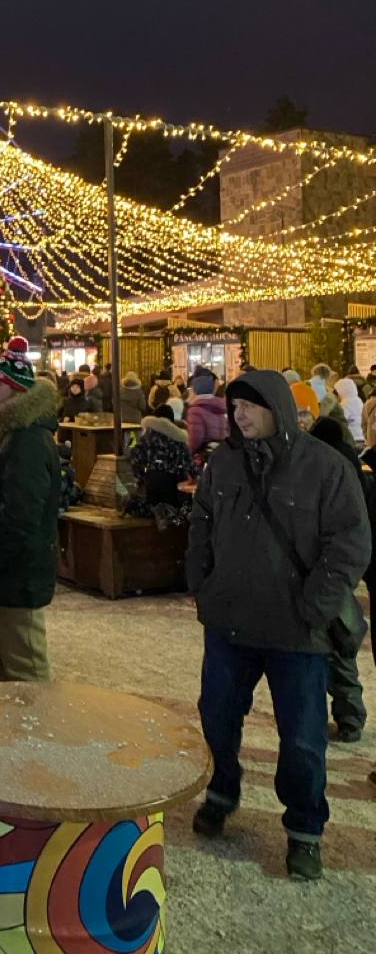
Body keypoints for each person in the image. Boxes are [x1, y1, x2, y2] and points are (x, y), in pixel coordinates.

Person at [186, 370, 370, 881]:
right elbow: (202, 520)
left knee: (304, 739)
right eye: (235, 407)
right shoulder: (223, 464)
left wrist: (316, 604)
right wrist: (201, 578)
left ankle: (305, 830)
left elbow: (351, 542)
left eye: (250, 406)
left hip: (297, 632)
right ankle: (222, 791)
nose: (239, 416)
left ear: (277, 409)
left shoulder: (324, 467)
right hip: (230, 623)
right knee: (217, 718)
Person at [0, 336, 62, 682]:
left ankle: (34, 733)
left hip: (17, 577)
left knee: (24, 668)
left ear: (17, 391)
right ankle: (3, 731)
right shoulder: (6, 432)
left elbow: (20, 519)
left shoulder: (28, 441)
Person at [310, 416, 369, 743]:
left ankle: (331, 715)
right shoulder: (351, 465)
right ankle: (350, 716)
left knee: (326, 648)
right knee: (342, 647)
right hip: (339, 576)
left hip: (320, 572)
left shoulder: (318, 469)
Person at [126, 405, 195, 529]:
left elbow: (134, 456)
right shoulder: (178, 439)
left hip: (151, 480)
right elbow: (188, 463)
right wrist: (197, 479)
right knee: (175, 508)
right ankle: (165, 513)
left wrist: (140, 477)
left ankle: (148, 509)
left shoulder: (145, 437)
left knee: (151, 505)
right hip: (171, 483)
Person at [184, 366, 228, 457]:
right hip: (220, 454)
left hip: (204, 457)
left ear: (196, 387)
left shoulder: (195, 410)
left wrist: (187, 453)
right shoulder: (220, 406)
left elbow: (195, 439)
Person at [334, 376, 364, 445]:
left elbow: (342, 419)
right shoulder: (358, 400)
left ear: (342, 391)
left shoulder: (345, 403)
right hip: (361, 435)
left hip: (352, 436)